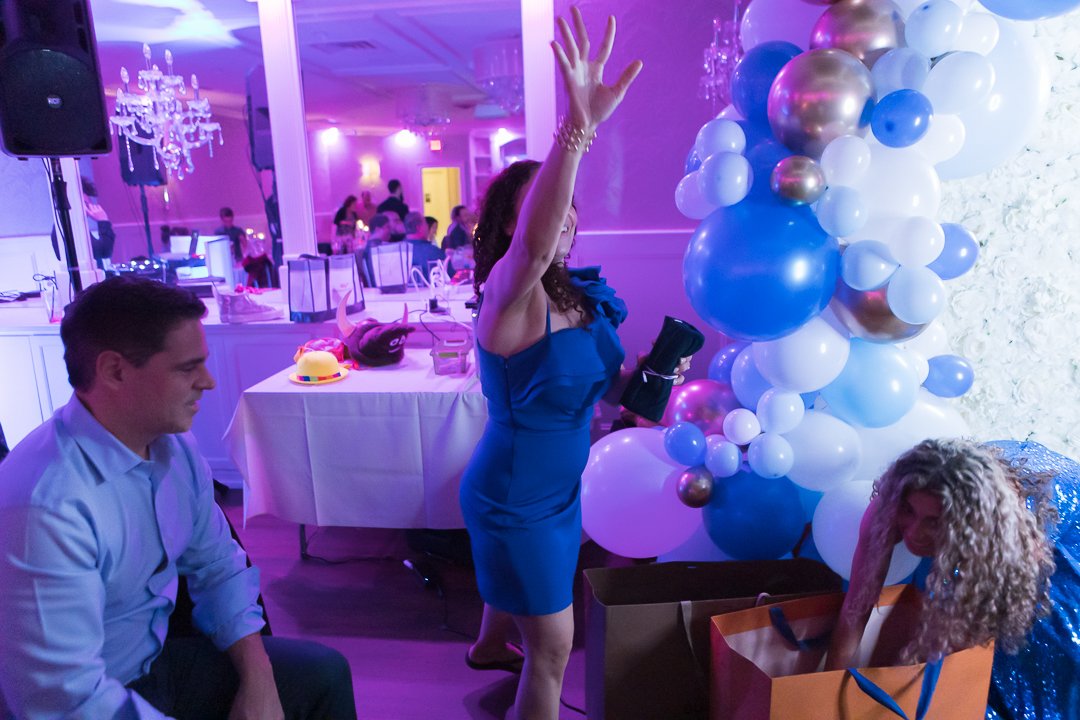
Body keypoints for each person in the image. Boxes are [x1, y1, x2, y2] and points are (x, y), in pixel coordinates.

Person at [0, 277, 357, 720]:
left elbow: (218, 566)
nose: (208, 381)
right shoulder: (44, 506)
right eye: (188, 368)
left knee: (323, 675)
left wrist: (259, 680)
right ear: (114, 371)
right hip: (95, 694)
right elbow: (65, 701)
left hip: (155, 662)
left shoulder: (174, 446)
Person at [459, 10, 672, 720]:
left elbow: (602, 389)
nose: (566, 220)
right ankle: (507, 649)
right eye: (549, 212)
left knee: (524, 603)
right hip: (513, 497)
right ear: (513, 226)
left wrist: (643, 381)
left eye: (570, 209)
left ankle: (487, 646)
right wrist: (576, 132)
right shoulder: (509, 296)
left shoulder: (579, 296)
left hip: (560, 489)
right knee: (553, 648)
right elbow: (534, 242)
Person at [826, 437, 1080, 719]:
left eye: (933, 521)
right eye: (909, 511)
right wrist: (830, 693)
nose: (914, 533)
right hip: (980, 474)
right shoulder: (890, 505)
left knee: (1039, 659)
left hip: (1056, 509)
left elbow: (955, 645)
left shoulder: (1001, 542)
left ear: (963, 523)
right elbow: (856, 606)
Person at [404, 211, 446, 283]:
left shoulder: (394, 253)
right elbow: (451, 277)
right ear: (419, 228)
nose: (427, 228)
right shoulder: (434, 252)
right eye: (426, 225)